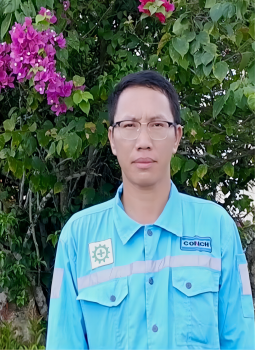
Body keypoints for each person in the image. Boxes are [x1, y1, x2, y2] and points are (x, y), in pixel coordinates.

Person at [45, 70, 255, 349]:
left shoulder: (216, 228)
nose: (143, 141)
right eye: (129, 125)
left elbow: (240, 339)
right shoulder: (78, 237)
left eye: (157, 125)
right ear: (112, 138)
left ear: (176, 137)